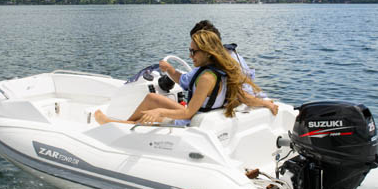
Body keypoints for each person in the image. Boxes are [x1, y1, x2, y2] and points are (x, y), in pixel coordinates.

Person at [94, 30, 277, 126]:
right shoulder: (224, 71)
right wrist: (266, 103)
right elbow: (244, 97)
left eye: (193, 51)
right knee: (151, 98)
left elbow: (188, 113)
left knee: (154, 106)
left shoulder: (206, 77)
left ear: (207, 52)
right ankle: (127, 124)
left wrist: (160, 113)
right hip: (202, 115)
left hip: (191, 120)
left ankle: (121, 126)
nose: (190, 56)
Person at [160, 20, 261, 97]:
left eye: (195, 45)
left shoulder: (209, 70)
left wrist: (168, 68)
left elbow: (185, 81)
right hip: (248, 99)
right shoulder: (236, 57)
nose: (191, 54)